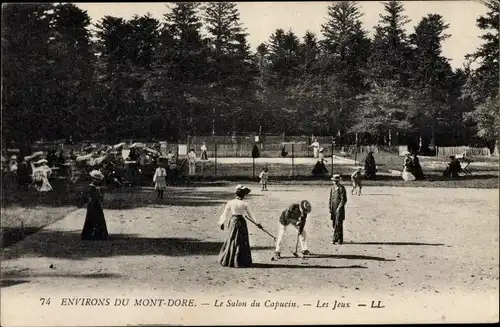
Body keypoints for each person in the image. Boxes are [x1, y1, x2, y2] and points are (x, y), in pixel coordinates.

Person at [217, 185, 262, 268]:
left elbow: (225, 214)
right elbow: (251, 215)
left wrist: (222, 222)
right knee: (241, 241)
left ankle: (229, 260)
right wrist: (257, 223)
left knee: (232, 239)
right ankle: (240, 261)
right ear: (243, 195)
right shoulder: (244, 203)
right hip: (241, 223)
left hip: (233, 221)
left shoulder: (230, 202)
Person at [81, 170, 109, 241]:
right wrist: (100, 201)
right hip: (94, 204)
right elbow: (96, 197)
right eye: (97, 180)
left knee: (94, 218)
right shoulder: (92, 187)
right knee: (95, 218)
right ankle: (96, 234)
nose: (99, 181)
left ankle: (94, 234)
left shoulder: (95, 187)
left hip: (93, 203)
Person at [329, 174, 347, 244]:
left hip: (340, 209)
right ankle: (336, 237)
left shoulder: (341, 188)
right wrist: (330, 207)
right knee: (334, 223)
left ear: (339, 181)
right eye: (334, 181)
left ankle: (340, 239)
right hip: (333, 208)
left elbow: (344, 200)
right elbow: (330, 198)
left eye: (337, 181)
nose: (335, 182)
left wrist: (339, 208)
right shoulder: (332, 187)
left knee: (339, 224)